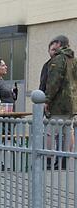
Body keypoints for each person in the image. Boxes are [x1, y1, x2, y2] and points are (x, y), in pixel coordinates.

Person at [45, 35, 77, 167]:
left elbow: (54, 82)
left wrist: (47, 100)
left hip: (59, 103)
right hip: (71, 103)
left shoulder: (58, 59)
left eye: (54, 44)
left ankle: (47, 159)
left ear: (59, 44)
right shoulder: (74, 60)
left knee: (50, 132)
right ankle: (65, 160)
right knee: (68, 131)